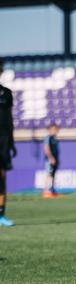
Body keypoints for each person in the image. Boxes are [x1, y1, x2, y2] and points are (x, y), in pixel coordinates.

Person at [0, 58, 17, 227]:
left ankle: (1, 214)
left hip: (4, 138)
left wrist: (12, 140)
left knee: (2, 177)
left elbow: (10, 118)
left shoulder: (6, 93)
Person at [42, 122, 61, 198]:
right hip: (49, 160)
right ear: (50, 130)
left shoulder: (54, 138)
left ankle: (52, 190)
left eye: (56, 129)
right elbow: (46, 148)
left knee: (53, 175)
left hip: (55, 159)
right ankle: (46, 191)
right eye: (54, 129)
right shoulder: (48, 138)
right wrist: (50, 157)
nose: (55, 131)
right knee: (49, 174)